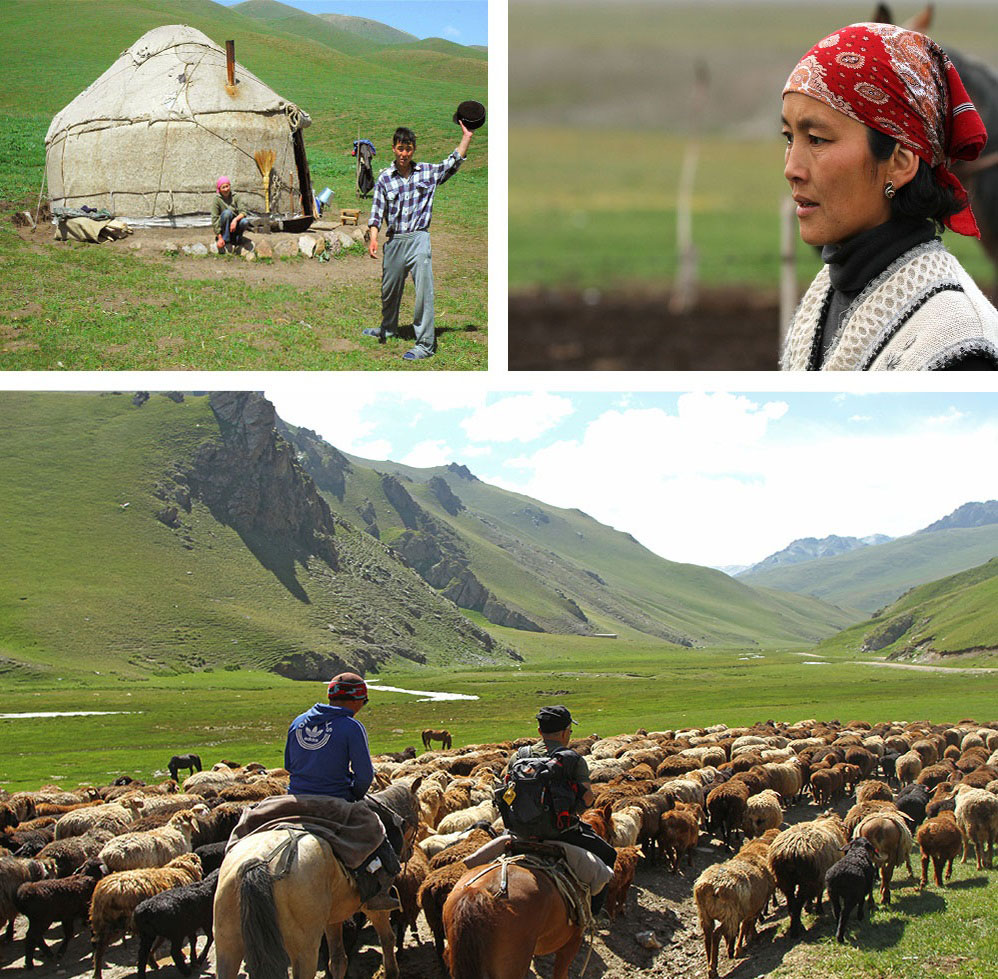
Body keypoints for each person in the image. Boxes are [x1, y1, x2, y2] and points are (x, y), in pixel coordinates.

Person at [780, 23, 998, 371]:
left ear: (899, 162)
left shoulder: (960, 347)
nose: (792, 168)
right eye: (790, 137)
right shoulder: (826, 293)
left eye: (817, 139)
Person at [284, 672, 400, 910]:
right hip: (333, 801)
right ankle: (377, 891)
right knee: (379, 830)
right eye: (364, 702)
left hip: (294, 801)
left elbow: (288, 765)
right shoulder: (350, 727)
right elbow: (365, 775)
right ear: (357, 699)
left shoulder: (298, 722)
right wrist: (354, 796)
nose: (362, 707)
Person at [363, 122, 474, 360]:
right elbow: (376, 211)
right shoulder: (384, 179)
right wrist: (373, 238)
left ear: (414, 150)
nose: (404, 154)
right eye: (400, 148)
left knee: (424, 290)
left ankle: (425, 344)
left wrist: (467, 137)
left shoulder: (426, 172)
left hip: (419, 238)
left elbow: (452, 163)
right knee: (389, 290)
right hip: (394, 241)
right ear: (393, 148)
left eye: (409, 149)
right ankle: (388, 328)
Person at [502, 705, 616, 911]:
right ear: (565, 732)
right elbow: (588, 799)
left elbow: (505, 792)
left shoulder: (519, 757)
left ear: (539, 732)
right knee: (609, 855)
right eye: (570, 731)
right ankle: (596, 912)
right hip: (562, 831)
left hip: (520, 831)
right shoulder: (572, 759)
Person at [211, 177, 250, 253]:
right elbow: (214, 219)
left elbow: (244, 212)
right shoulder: (217, 199)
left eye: (227, 186)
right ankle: (226, 240)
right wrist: (219, 237)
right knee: (227, 213)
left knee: (244, 222)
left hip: (234, 226)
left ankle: (238, 238)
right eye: (223, 187)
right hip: (224, 225)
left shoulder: (236, 197)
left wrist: (235, 220)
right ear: (219, 189)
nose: (226, 189)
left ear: (230, 186)